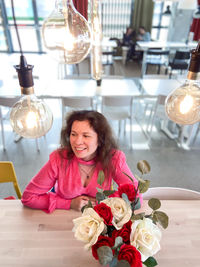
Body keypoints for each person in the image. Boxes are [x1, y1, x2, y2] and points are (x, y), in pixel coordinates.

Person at [21, 110, 142, 213]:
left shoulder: (114, 159)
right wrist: (68, 203)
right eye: (74, 134)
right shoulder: (59, 159)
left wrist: (105, 202)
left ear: (100, 140)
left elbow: (136, 198)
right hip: (63, 220)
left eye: (86, 136)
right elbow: (28, 197)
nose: (77, 142)